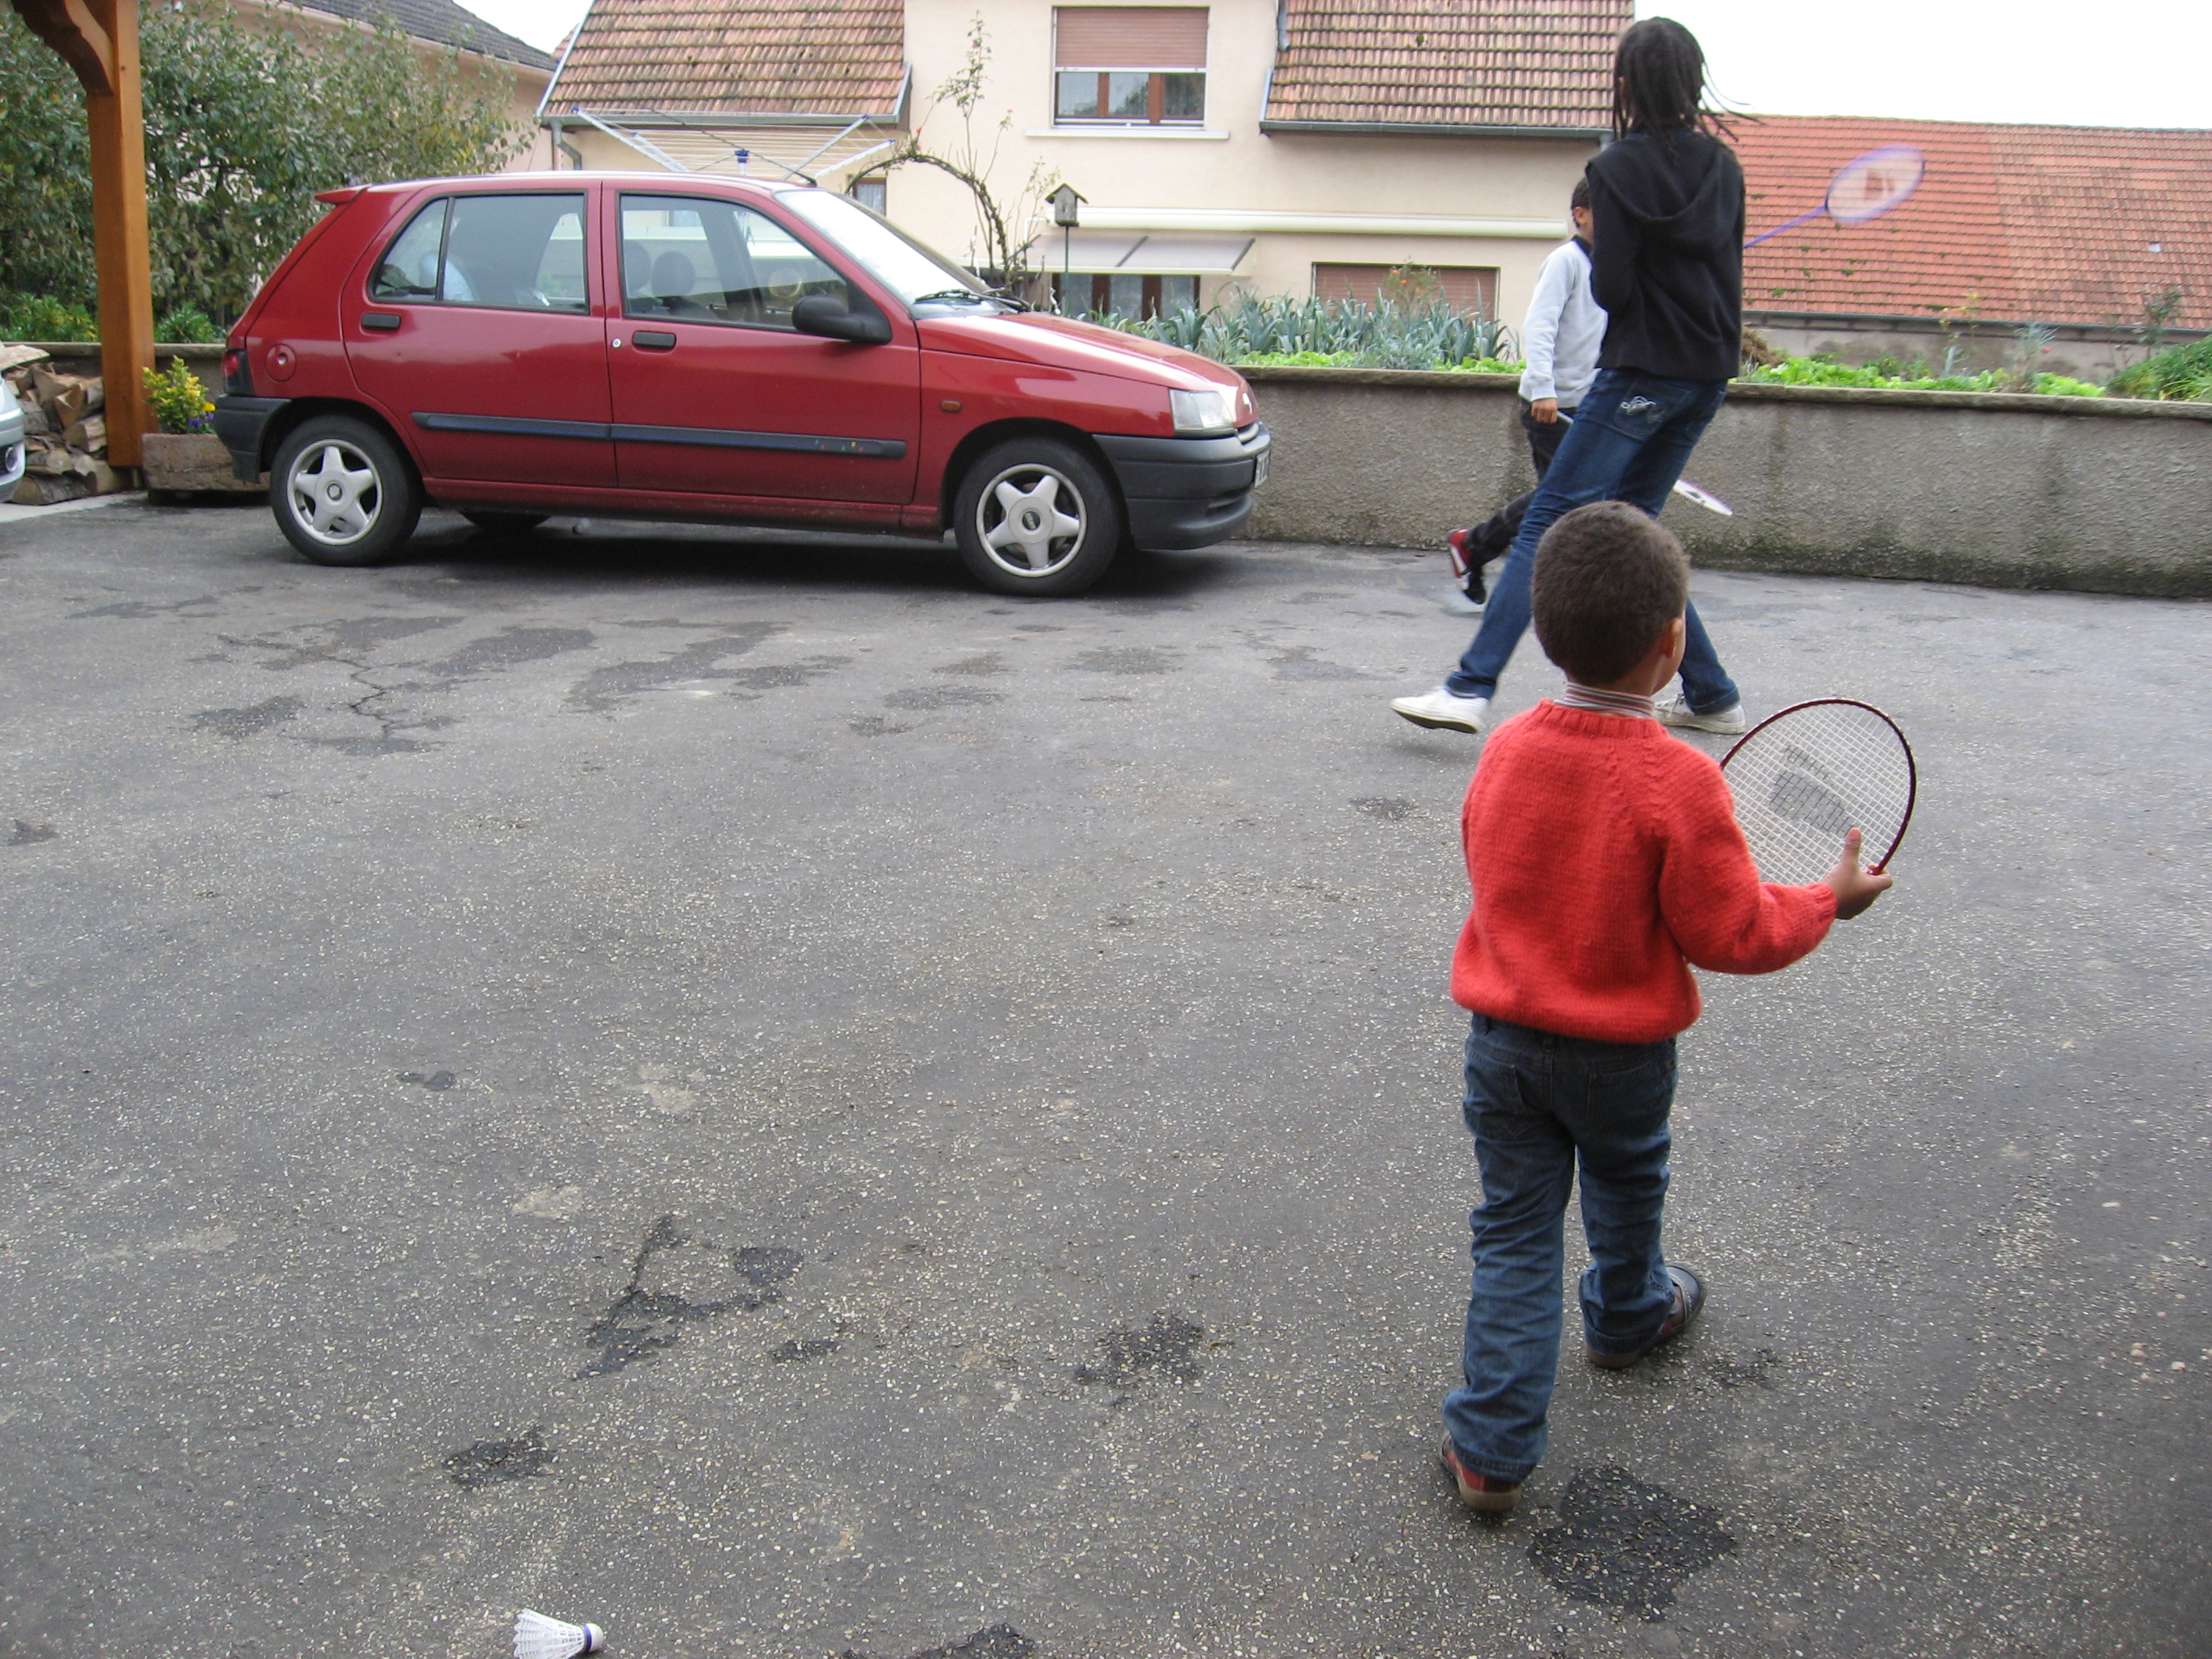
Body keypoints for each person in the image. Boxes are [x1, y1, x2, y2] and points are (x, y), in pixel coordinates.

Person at [1432, 501, 1892, 1515]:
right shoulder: (1678, 781)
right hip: (1620, 1058)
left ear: (1542, 630)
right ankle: (1627, 1314)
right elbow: (1734, 933)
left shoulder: (1505, 750)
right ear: (1673, 643)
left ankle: (1490, 1452)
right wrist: (1827, 900)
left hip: (1502, 1045)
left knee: (1513, 1231)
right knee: (1626, 1186)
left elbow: (1488, 867)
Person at [1393, 16, 1750, 738]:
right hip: (1708, 374)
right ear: (1694, 80)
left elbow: (1611, 288)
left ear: (1625, 83)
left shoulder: (1615, 169)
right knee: (1635, 530)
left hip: (1641, 370)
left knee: (1549, 521)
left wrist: (1641, 270)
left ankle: (1469, 687)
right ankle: (1712, 695)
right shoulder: (1724, 167)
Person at [1446, 179, 1604, 611]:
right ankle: (1476, 547)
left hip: (1589, 403)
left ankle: (1475, 546)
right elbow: (1539, 326)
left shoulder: (1609, 266)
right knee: (1563, 499)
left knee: (1573, 499)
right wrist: (1544, 389)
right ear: (1581, 215)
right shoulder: (1565, 261)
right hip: (1552, 405)